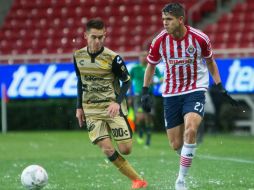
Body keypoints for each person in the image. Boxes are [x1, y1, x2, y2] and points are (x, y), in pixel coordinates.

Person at [141, 3, 238, 190]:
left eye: (168, 20)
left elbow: (210, 62)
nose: (165, 23)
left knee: (191, 129)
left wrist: (220, 86)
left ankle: (181, 181)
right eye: (163, 20)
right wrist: (145, 91)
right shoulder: (160, 41)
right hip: (171, 93)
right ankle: (187, 154)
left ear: (180, 19)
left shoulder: (200, 38)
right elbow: (151, 65)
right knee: (176, 144)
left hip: (195, 90)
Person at [74, 18, 147, 189]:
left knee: (126, 149)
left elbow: (127, 82)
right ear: (86, 36)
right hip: (91, 109)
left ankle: (117, 131)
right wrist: (79, 107)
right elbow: (80, 81)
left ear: (105, 35)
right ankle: (138, 180)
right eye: (94, 37)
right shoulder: (78, 57)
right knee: (106, 148)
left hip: (112, 108)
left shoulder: (113, 58)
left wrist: (117, 102)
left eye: (101, 37)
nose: (97, 41)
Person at [130, 51, 162, 147]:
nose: (143, 58)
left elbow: (161, 78)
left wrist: (155, 82)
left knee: (148, 117)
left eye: (145, 56)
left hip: (149, 95)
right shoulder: (135, 68)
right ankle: (140, 132)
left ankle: (148, 139)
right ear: (139, 58)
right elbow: (129, 81)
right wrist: (130, 96)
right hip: (138, 95)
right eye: (142, 56)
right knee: (140, 117)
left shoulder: (152, 67)